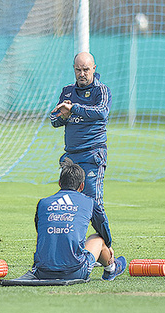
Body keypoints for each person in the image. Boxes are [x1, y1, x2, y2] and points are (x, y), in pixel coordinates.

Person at [32, 158, 126, 281]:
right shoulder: (89, 202)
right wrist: (108, 245)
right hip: (75, 272)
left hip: (41, 272)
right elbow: (103, 227)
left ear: (60, 183)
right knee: (97, 238)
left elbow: (40, 230)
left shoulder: (43, 203)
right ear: (82, 185)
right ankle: (111, 268)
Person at [50, 51, 111, 214]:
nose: (82, 74)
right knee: (67, 202)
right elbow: (54, 120)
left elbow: (102, 112)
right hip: (70, 157)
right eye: (78, 70)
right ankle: (72, 239)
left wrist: (74, 108)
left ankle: (105, 240)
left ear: (94, 68)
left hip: (92, 155)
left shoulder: (101, 91)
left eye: (86, 69)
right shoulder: (67, 91)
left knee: (94, 205)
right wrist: (65, 116)